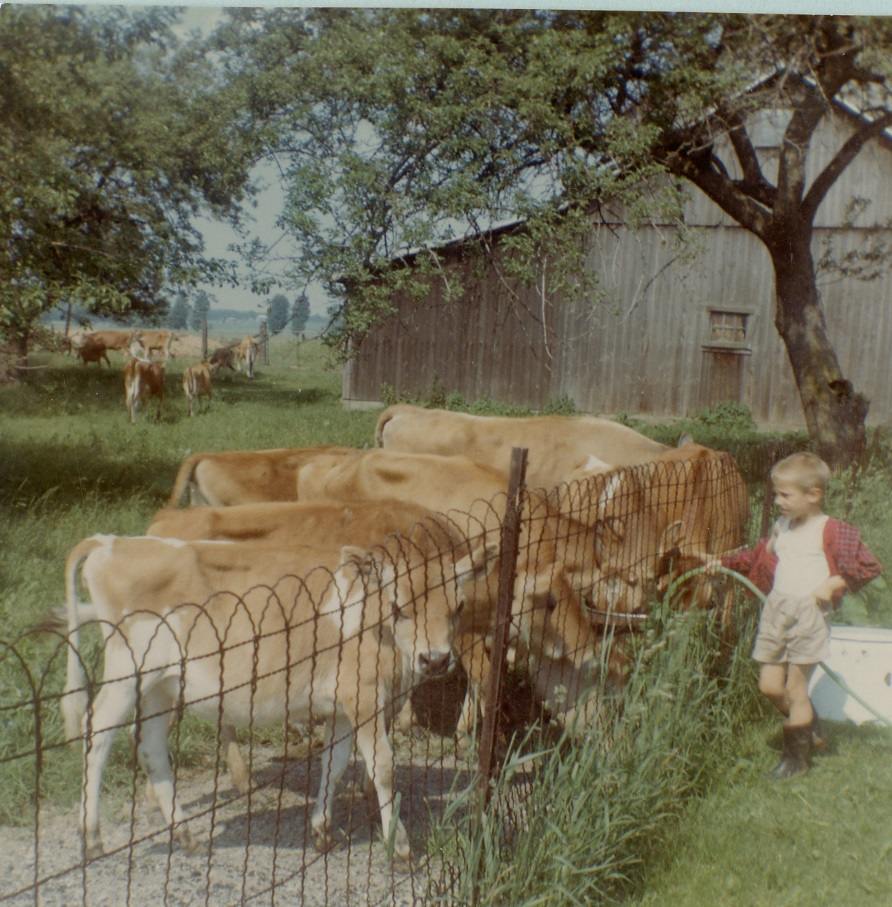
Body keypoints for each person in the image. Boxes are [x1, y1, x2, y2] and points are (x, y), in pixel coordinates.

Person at [717, 452, 882, 779]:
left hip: (809, 614)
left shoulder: (831, 530)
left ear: (814, 495)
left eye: (785, 495)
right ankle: (810, 724)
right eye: (776, 494)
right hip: (776, 610)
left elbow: (868, 566)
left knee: (795, 689)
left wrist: (835, 582)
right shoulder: (782, 526)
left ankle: (796, 761)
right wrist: (719, 562)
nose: (778, 501)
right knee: (768, 686)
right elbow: (758, 556)